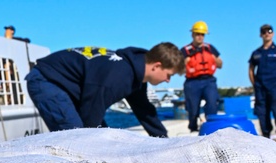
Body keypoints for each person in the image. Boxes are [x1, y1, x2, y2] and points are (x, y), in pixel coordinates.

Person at [26, 43, 184, 137]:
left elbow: (145, 112)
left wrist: (163, 140)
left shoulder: (135, 75)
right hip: (47, 80)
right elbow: (91, 111)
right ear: (157, 66)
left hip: (69, 86)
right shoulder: (120, 75)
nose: (168, 80)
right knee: (78, 138)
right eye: (168, 75)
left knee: (101, 135)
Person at [248, 25, 276, 139]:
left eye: (269, 31)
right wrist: (255, 84)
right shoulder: (256, 53)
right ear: (260, 35)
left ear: (273, 34)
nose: (267, 33)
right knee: (262, 112)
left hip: (274, 86)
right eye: (264, 32)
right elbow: (251, 69)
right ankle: (265, 134)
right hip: (260, 87)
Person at [181, 21, 222, 132]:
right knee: (193, 108)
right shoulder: (185, 51)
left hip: (209, 80)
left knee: (212, 103)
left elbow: (220, 64)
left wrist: (215, 59)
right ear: (192, 35)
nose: (200, 37)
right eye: (197, 34)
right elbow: (178, 68)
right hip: (192, 82)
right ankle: (193, 128)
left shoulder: (210, 48)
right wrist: (185, 62)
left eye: (202, 34)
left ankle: (211, 127)